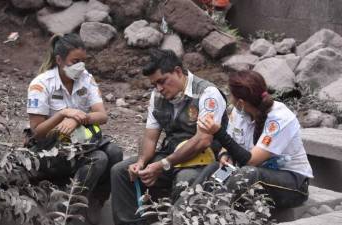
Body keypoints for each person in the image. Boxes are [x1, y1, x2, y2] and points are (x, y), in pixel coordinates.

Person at [110, 49, 228, 225]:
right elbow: (150, 137)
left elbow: (203, 140)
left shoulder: (207, 94)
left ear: (178, 72)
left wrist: (162, 165)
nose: (159, 88)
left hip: (204, 159)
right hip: (171, 154)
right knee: (120, 171)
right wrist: (141, 162)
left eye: (162, 81)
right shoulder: (157, 96)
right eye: (154, 84)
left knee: (184, 180)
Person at [26, 33, 123, 225]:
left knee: (115, 152)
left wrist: (78, 119)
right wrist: (63, 114)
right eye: (75, 61)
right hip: (49, 149)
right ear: (59, 60)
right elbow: (37, 132)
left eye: (83, 61)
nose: (81, 66)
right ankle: (70, 211)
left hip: (79, 142)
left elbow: (102, 115)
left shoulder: (86, 78)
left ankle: (96, 202)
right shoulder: (41, 84)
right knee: (99, 158)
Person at [195, 70, 313, 208]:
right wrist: (225, 154)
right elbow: (230, 144)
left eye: (230, 95)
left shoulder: (280, 118)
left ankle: (211, 214)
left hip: (292, 184)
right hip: (248, 171)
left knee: (248, 173)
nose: (230, 99)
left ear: (240, 102)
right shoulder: (239, 111)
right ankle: (185, 211)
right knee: (216, 170)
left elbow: (251, 161)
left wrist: (218, 132)